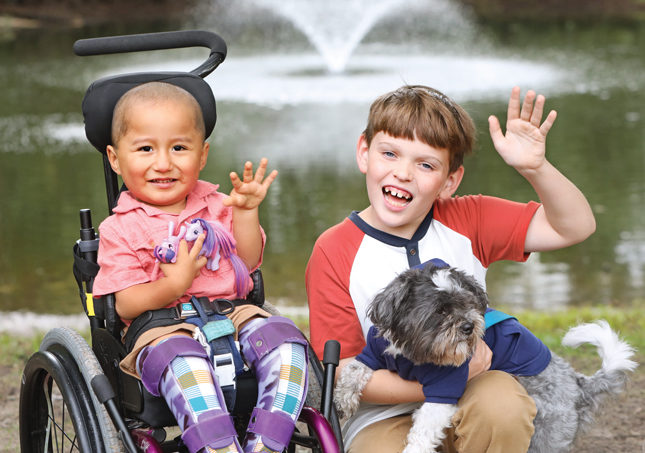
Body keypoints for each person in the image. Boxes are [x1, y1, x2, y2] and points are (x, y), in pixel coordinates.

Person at [305, 85, 596, 452]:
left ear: (449, 182)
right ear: (364, 153)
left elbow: (575, 227)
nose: (403, 173)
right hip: (384, 410)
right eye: (390, 153)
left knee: (504, 409)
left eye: (425, 164)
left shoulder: (468, 216)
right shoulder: (334, 249)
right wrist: (433, 387)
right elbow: (344, 368)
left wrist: (535, 168)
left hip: (477, 388)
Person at [93, 81, 308, 453]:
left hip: (231, 313)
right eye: (145, 149)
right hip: (162, 328)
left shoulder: (217, 204)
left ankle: (266, 443)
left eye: (179, 148)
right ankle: (218, 446)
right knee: (185, 362)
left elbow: (249, 260)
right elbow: (125, 305)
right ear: (115, 158)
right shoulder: (119, 228)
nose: (163, 163)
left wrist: (244, 211)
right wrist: (171, 286)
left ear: (202, 154)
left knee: (287, 343)